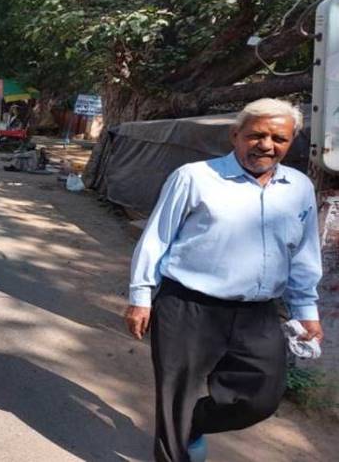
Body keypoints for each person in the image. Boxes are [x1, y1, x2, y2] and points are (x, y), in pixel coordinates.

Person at [124, 98, 323, 462]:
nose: (266, 145)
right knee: (176, 396)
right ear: (236, 135)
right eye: (256, 135)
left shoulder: (299, 187)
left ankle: (193, 423)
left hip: (258, 312)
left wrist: (306, 308)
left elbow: (304, 253)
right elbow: (156, 237)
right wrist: (141, 295)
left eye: (278, 138)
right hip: (188, 305)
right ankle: (177, 439)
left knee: (262, 395)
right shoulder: (194, 177)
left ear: (291, 140)